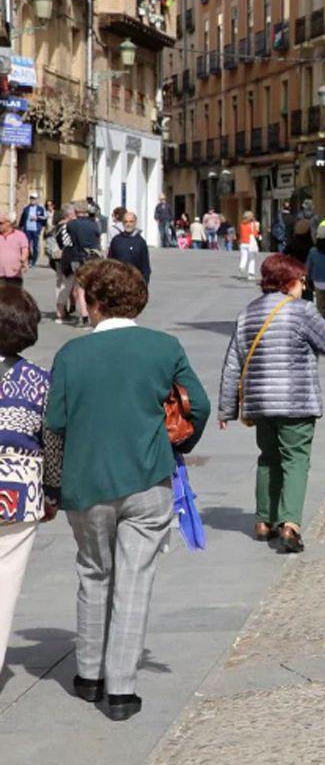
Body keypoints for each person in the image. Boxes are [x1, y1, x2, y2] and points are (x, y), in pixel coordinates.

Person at [46, 259, 210, 721]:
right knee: (135, 579)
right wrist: (178, 442)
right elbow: (197, 403)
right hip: (147, 477)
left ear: (93, 302)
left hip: (86, 482)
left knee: (94, 571)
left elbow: (54, 424)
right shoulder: (164, 347)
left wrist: (52, 486)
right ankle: (121, 690)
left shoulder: (71, 356)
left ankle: (88, 674)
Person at [217, 254, 325, 553]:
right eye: (301, 280)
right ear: (289, 282)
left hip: (260, 404)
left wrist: (226, 408)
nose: (304, 285)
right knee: (295, 459)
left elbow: (233, 362)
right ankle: (290, 525)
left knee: (268, 457)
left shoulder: (247, 313)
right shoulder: (302, 311)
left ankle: (264, 520)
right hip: (295, 401)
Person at [0, 286, 63, 676]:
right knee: (6, 579)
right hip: (18, 488)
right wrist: (52, 492)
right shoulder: (40, 381)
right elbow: (52, 438)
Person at [108, 211, 151, 285]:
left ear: (135, 223)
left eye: (131, 222)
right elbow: (110, 261)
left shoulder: (140, 242)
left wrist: (144, 284)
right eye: (126, 221)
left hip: (134, 282)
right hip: (118, 281)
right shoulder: (116, 240)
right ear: (123, 223)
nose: (128, 224)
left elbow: (145, 266)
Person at [306, 223, 325, 317]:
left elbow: (308, 267)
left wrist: (308, 279)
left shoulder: (313, 251)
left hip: (318, 282)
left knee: (320, 307)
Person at [0, 212, 30, 286]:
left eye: (1, 223)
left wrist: (22, 261)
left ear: (8, 223)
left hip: (14, 275)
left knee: (14, 296)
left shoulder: (20, 235)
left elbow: (25, 250)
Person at [17, 193, 46, 266]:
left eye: (34, 198)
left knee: (35, 246)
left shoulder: (40, 208)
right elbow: (22, 218)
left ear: (37, 200)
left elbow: (45, 218)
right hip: (27, 229)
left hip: (36, 229)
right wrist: (19, 227)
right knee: (27, 245)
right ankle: (29, 259)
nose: (32, 200)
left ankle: (34, 261)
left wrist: (37, 218)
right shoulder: (26, 208)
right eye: (31, 198)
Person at [238, 210, 261, 280]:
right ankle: (251, 274)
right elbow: (255, 234)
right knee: (252, 259)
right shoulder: (252, 224)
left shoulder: (241, 224)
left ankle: (242, 267)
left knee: (243, 257)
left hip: (242, 242)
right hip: (250, 243)